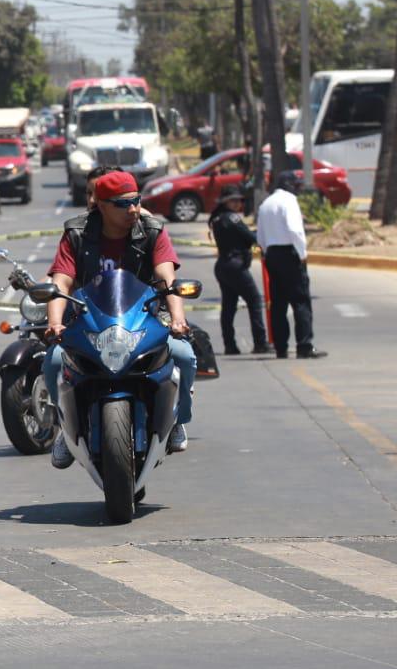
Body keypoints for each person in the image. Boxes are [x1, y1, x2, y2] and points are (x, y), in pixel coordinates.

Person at [42, 170, 198, 467]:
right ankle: (65, 427)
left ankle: (177, 419)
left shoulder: (152, 230)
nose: (134, 209)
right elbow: (61, 282)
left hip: (146, 319)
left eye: (136, 200)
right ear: (101, 205)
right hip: (89, 322)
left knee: (184, 355)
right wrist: (55, 323)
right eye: (123, 203)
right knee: (53, 361)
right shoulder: (76, 233)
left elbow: (167, 277)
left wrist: (177, 319)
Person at [257, 172, 325, 359]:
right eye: (296, 184)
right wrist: (302, 254)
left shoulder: (266, 204)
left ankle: (281, 348)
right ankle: (304, 345)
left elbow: (260, 237)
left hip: (272, 255)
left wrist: (267, 253)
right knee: (301, 301)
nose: (297, 188)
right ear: (289, 185)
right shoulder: (289, 201)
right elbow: (295, 230)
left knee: (278, 304)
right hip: (289, 254)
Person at [208, 186, 269, 356]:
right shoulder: (232, 218)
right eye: (233, 200)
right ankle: (260, 342)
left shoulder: (218, 218)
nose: (237, 203)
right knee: (255, 301)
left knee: (229, 307)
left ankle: (230, 345)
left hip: (223, 265)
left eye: (239, 200)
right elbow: (251, 237)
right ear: (225, 202)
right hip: (235, 265)